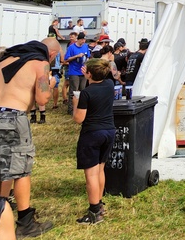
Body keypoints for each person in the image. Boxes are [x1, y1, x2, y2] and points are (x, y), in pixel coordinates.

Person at [0, 37, 60, 237]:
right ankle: (25, 223)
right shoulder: (41, 64)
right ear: (52, 54)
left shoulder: (7, 59)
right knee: (21, 170)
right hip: (12, 117)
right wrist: (50, 84)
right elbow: (42, 98)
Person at [73, 58, 115, 225]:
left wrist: (75, 103)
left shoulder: (86, 93)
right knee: (100, 169)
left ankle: (94, 212)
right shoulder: (109, 85)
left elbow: (79, 119)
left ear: (89, 74)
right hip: (109, 131)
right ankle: (99, 203)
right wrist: (91, 74)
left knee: (91, 174)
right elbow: (103, 76)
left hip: (92, 133)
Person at [64, 32, 91, 114]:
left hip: (83, 71)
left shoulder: (85, 46)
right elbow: (66, 59)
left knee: (83, 90)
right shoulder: (71, 47)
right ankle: (71, 109)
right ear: (79, 39)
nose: (84, 41)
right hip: (74, 72)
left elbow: (88, 56)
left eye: (85, 40)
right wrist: (76, 56)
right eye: (82, 40)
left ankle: (81, 108)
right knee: (74, 91)